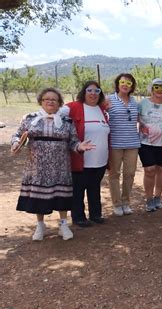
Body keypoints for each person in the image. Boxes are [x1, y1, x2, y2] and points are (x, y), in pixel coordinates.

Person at [11, 88, 95, 241]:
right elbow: (18, 135)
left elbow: (73, 142)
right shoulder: (30, 118)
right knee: (39, 197)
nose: (50, 101)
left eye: (54, 99)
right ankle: (40, 225)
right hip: (37, 166)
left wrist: (79, 147)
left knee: (61, 196)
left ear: (59, 103)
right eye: (46, 99)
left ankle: (63, 225)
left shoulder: (67, 121)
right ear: (41, 101)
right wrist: (16, 143)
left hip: (60, 166)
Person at [65, 81, 109, 227]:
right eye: (90, 90)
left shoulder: (102, 109)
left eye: (97, 91)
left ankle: (95, 214)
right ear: (84, 92)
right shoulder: (74, 107)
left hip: (100, 159)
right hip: (81, 159)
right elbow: (55, 112)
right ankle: (78, 217)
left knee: (95, 187)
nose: (93, 94)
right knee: (78, 189)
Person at [107, 73, 141, 216]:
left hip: (132, 143)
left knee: (130, 174)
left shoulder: (134, 102)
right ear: (118, 83)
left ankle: (126, 202)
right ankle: (116, 204)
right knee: (114, 174)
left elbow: (139, 118)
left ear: (132, 86)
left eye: (129, 83)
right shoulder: (109, 100)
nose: (125, 85)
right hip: (115, 143)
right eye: (122, 82)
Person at [138, 78, 162, 212]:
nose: (159, 90)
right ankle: (149, 199)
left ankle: (157, 197)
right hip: (146, 143)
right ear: (151, 89)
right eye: (156, 87)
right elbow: (133, 119)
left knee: (161, 170)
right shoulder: (142, 104)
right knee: (150, 170)